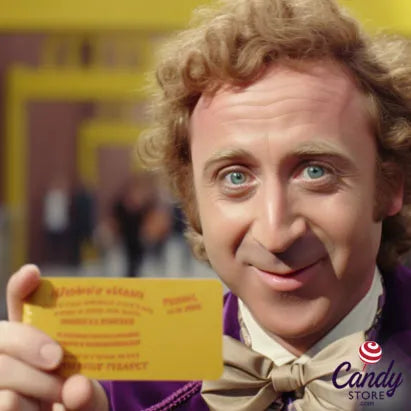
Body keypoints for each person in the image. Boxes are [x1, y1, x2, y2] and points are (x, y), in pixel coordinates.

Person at [1, 0, 410, 410]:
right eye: (236, 177)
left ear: (390, 185)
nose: (275, 234)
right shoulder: (118, 395)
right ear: (192, 200)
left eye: (315, 171)